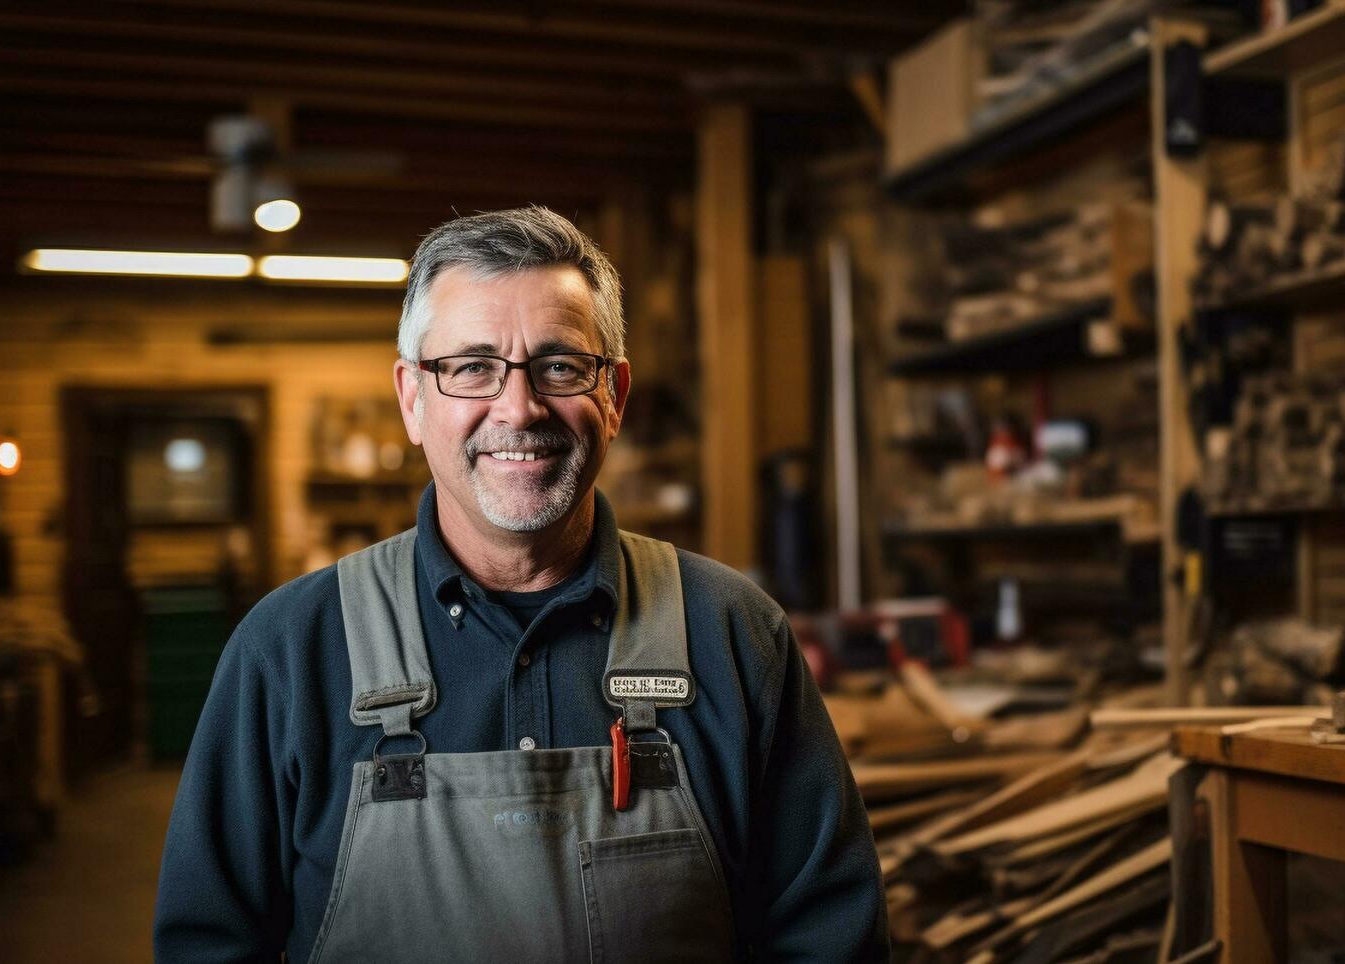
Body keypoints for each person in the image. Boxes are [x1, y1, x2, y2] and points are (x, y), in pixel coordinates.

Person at [154, 205, 888, 961]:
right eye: (471, 367)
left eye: (560, 365)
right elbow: (209, 945)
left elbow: (830, 938)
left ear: (615, 395)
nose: (519, 408)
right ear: (412, 399)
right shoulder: (289, 650)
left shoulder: (731, 632)